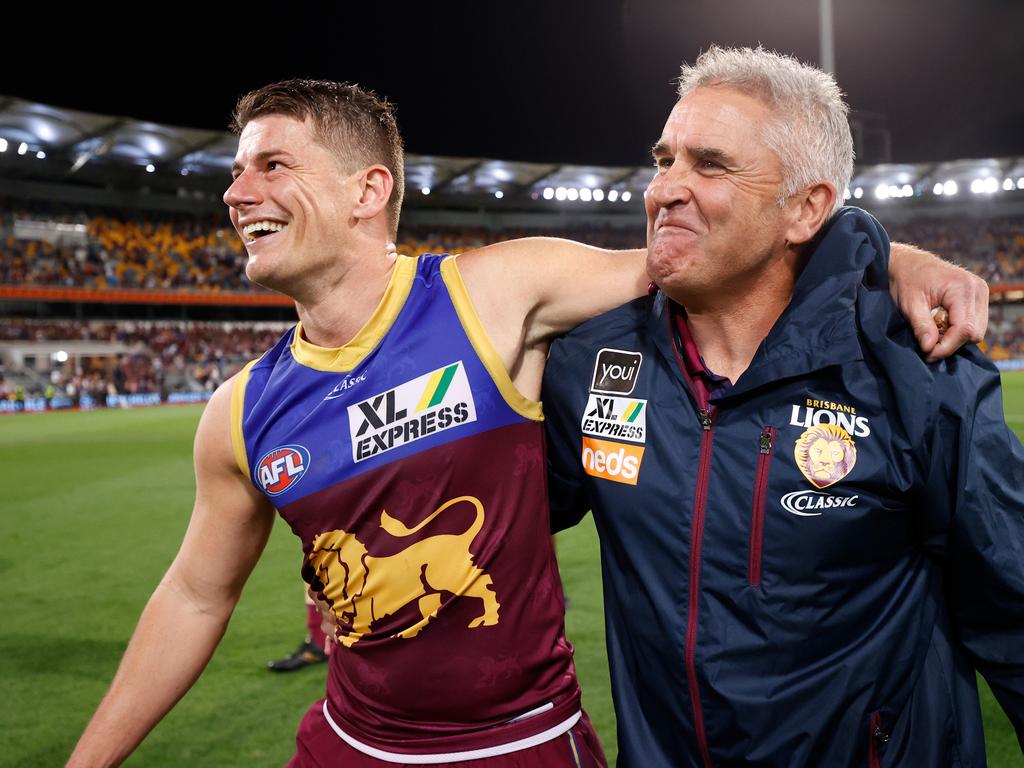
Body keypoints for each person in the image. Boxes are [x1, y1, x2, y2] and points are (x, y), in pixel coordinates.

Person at [67, 77, 987, 767]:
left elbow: (708, 251)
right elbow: (195, 595)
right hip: (346, 743)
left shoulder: (496, 294)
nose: (237, 191)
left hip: (525, 744)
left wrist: (882, 252)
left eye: (272, 165)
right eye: (235, 171)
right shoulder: (240, 412)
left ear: (367, 189)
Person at [542, 46, 1024, 767]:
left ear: (805, 208)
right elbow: (500, 529)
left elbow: (1013, 611)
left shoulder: (912, 372)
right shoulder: (594, 364)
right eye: (663, 159)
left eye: (709, 165)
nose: (665, 188)